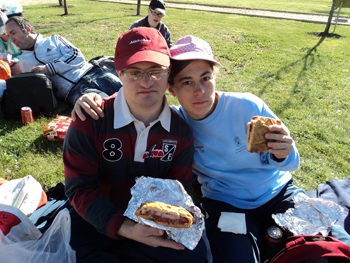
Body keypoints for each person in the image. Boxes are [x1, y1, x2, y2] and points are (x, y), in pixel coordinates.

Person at [73, 35, 350, 262]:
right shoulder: (178, 125)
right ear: (172, 88)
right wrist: (90, 98)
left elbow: (289, 164)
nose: (199, 91)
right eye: (187, 82)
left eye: (206, 78)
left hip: (280, 193)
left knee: (334, 245)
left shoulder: (248, 108)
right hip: (227, 204)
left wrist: (284, 150)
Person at [63, 27, 207, 263]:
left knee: (193, 255)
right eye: (134, 72)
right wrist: (124, 227)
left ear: (168, 73)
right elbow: (80, 188)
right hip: (95, 218)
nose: (146, 82)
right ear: (119, 73)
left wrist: (152, 226)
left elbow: (177, 189)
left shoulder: (180, 132)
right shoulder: (91, 120)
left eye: (155, 71)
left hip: (152, 225)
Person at [5, 16, 122, 106]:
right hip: (74, 91)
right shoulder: (24, 61)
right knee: (103, 108)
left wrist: (49, 68)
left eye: (13, 33)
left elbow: (77, 56)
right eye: (9, 35)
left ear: (27, 30)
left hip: (94, 73)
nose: (12, 39)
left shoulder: (54, 40)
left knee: (129, 94)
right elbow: (39, 89)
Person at [0, 11, 21, 76]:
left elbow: (29, 53)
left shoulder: (19, 36)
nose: (4, 32)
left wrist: (15, 60)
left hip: (20, 65)